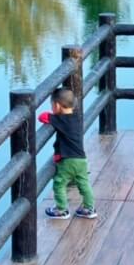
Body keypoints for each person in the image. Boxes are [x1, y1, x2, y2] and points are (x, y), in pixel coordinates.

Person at [40, 88, 97, 220]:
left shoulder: (61, 120)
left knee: (59, 184)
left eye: (52, 105)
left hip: (68, 160)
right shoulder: (76, 117)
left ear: (57, 105)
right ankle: (89, 208)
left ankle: (61, 209)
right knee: (84, 184)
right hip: (81, 159)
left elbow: (42, 117)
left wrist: (52, 115)